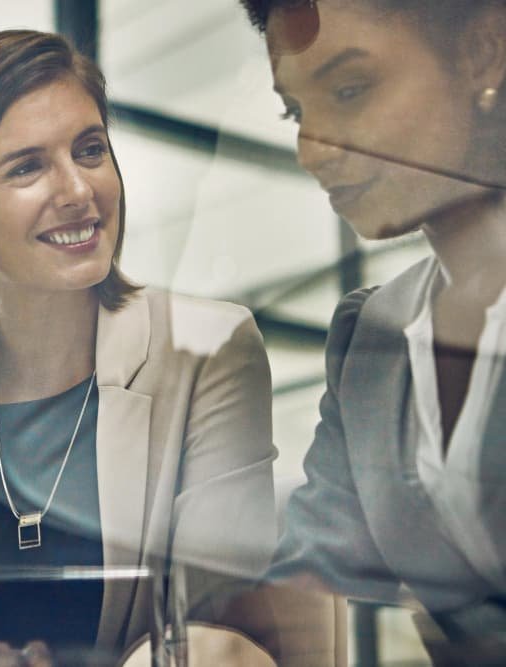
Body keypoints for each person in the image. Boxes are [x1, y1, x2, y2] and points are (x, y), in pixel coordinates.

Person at [0, 29, 281, 666]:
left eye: (90, 149)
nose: (77, 189)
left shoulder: (208, 352)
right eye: (27, 166)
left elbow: (213, 633)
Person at [239, 0, 506, 662]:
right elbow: (313, 563)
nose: (312, 149)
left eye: (350, 90)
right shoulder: (370, 337)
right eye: (297, 113)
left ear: (483, 52)